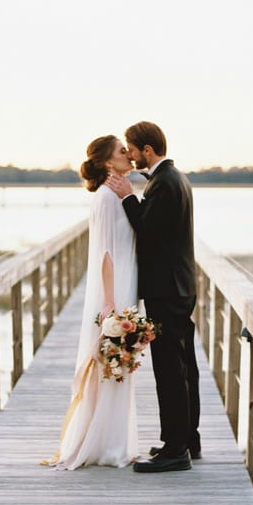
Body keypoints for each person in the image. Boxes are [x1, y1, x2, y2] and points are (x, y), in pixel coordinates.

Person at [106, 121, 201, 473]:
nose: (129, 154)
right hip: (178, 286)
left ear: (147, 150)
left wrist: (127, 197)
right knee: (184, 365)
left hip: (168, 288)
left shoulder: (164, 184)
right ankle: (187, 439)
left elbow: (147, 231)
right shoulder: (174, 179)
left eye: (131, 148)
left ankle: (177, 450)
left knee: (170, 369)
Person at [41, 135, 138, 469]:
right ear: (109, 163)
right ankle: (107, 445)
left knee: (118, 364)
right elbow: (106, 255)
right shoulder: (108, 198)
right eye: (122, 151)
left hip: (123, 284)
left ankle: (113, 440)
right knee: (113, 363)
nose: (129, 154)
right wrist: (110, 304)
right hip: (116, 290)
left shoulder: (116, 193)